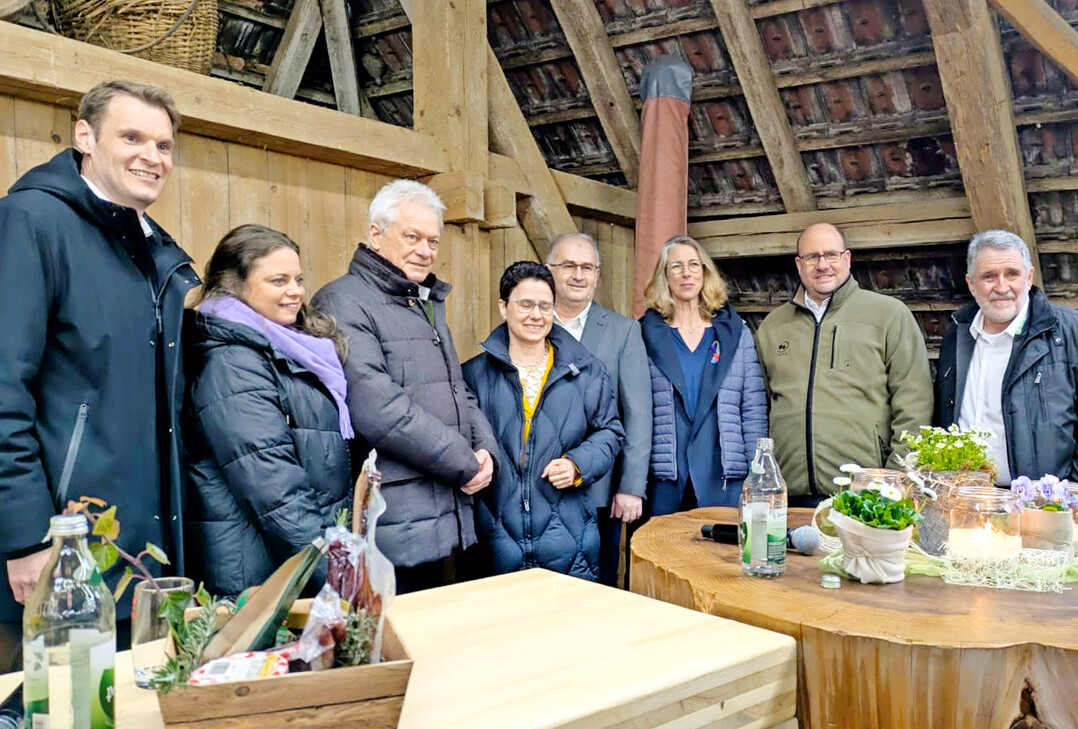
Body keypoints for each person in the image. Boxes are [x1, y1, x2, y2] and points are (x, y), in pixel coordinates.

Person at [0, 80, 196, 670]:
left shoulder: (153, 250)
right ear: (85, 136)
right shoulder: (31, 222)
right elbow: (4, 385)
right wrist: (28, 536)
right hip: (60, 545)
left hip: (138, 550)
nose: (152, 156)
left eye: (163, 145)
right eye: (131, 137)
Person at [312, 180, 498, 594]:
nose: (425, 250)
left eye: (433, 240)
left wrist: (487, 450)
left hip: (450, 511)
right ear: (376, 235)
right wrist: (465, 462)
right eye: (412, 237)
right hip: (396, 522)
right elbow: (378, 408)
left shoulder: (422, 302)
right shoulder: (343, 302)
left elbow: (459, 389)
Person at [184, 225, 353, 597]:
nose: (295, 291)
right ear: (235, 285)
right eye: (278, 280)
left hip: (291, 561)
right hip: (258, 574)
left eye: (298, 279)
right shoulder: (232, 361)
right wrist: (336, 578)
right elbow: (274, 487)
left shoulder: (283, 344)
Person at [462, 262, 624, 580]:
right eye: (525, 304)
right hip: (495, 541)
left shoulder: (586, 371)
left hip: (569, 541)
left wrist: (578, 464)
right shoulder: (473, 375)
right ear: (503, 307)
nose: (536, 315)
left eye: (545, 306)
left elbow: (610, 431)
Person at [756, 222, 932, 504]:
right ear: (799, 265)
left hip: (867, 492)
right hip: (788, 494)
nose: (822, 265)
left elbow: (914, 403)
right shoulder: (773, 326)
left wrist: (895, 479)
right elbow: (762, 405)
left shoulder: (888, 315)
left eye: (831, 255)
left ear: (847, 259)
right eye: (812, 257)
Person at [546, 233, 651, 587]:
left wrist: (632, 486)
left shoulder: (623, 332)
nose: (578, 275)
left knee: (600, 584)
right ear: (550, 271)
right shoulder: (531, 324)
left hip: (600, 489)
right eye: (569, 266)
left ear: (598, 274)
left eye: (587, 267)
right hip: (539, 484)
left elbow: (638, 414)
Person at [936, 230, 1078, 483]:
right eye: (989, 276)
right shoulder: (957, 334)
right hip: (967, 500)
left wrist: (1066, 492)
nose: (1002, 287)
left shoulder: (1069, 331)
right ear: (970, 283)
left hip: (1046, 505)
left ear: (1029, 277)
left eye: (1012, 274)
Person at [640, 236, 768, 514]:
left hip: (724, 474)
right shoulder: (643, 335)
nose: (686, 273)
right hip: (666, 476)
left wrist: (757, 475)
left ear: (705, 272)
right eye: (676, 266)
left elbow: (753, 409)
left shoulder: (736, 333)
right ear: (664, 276)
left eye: (694, 265)